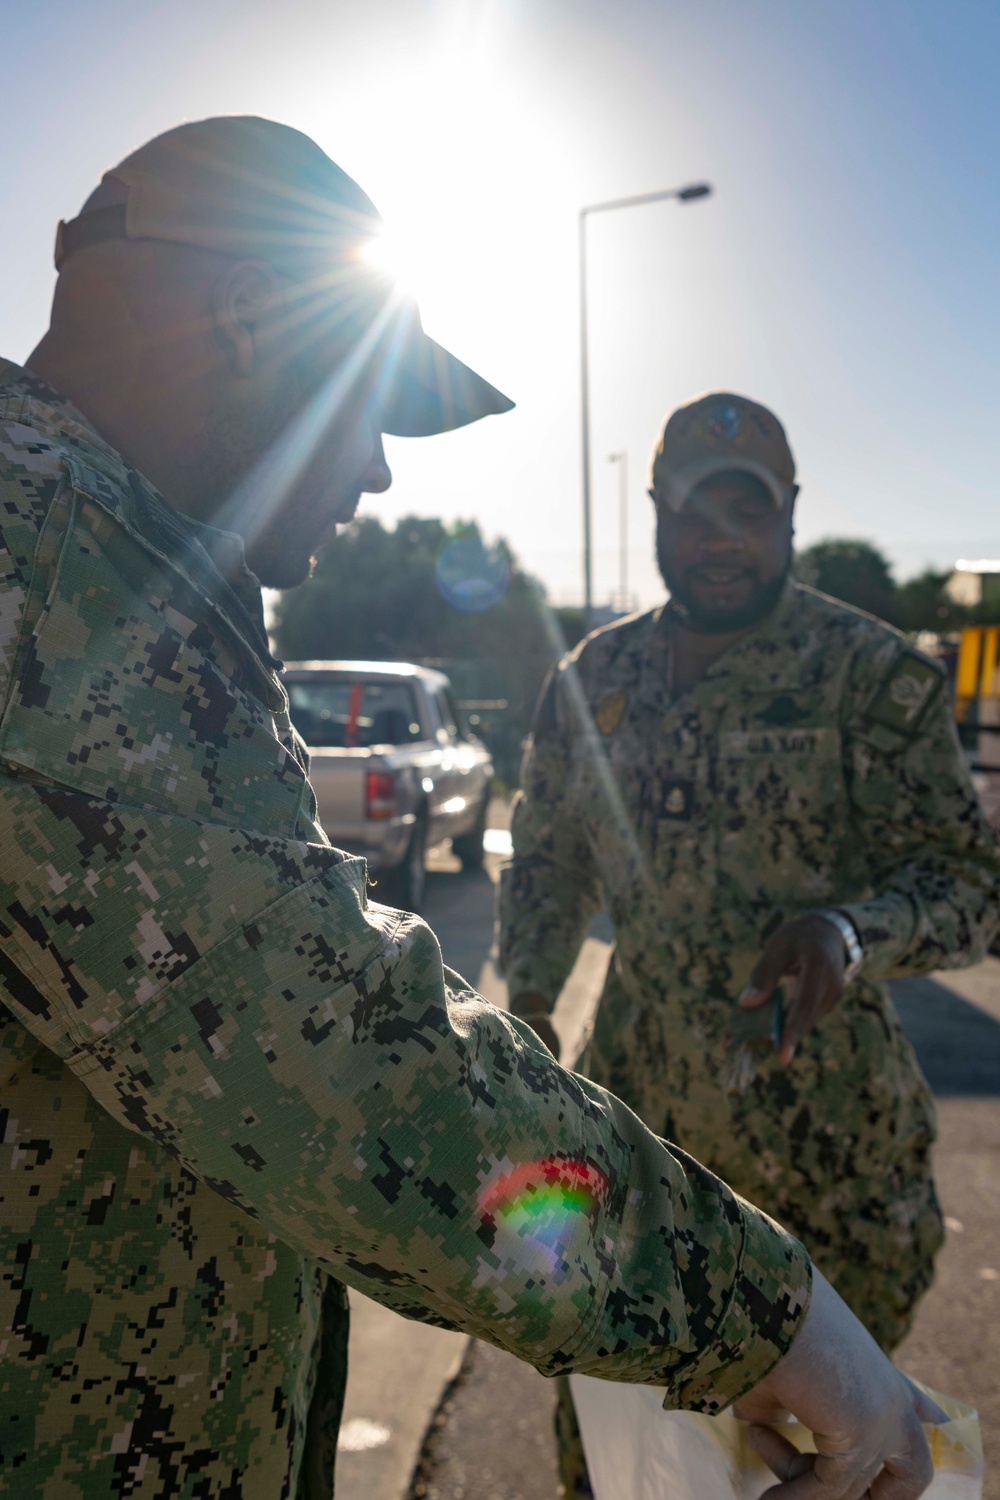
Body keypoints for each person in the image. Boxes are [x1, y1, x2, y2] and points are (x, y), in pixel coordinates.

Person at [0, 125, 941, 1500]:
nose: (379, 473)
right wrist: (774, 1319)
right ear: (256, 318)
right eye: (369, 405)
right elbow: (346, 1064)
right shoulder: (53, 555)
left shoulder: (97, 550)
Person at [500, 389, 1000, 1494]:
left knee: (808, 1464)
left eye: (746, 511)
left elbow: (971, 885)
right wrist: (527, 1006)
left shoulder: (870, 677)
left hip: (823, 1161)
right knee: (614, 1452)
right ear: (655, 516)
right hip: (637, 1144)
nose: (718, 537)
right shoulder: (596, 679)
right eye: (690, 512)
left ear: (788, 518)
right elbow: (547, 861)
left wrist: (846, 931)